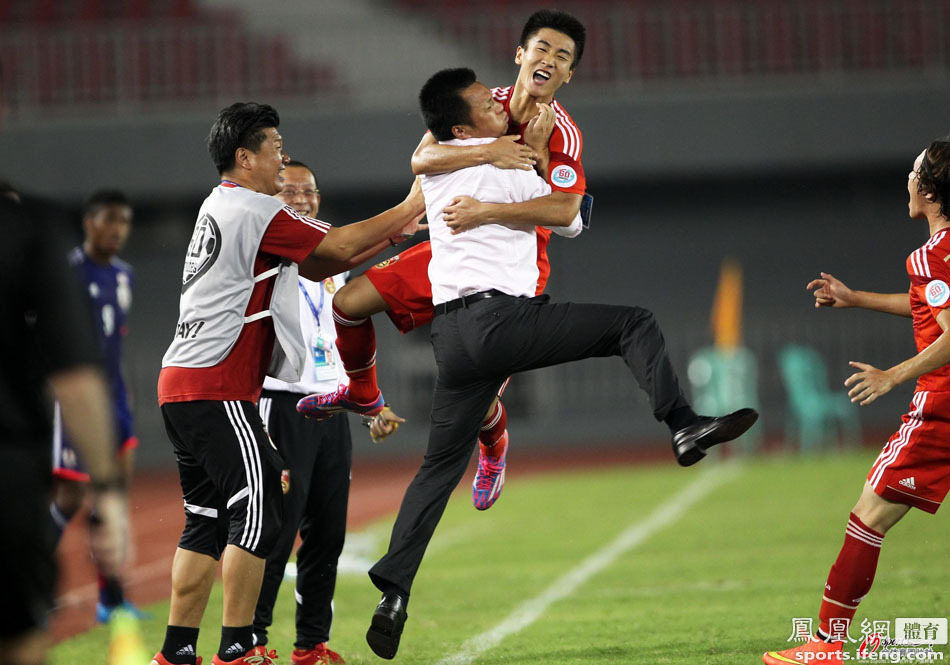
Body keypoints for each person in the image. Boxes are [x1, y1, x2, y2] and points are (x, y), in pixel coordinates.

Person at [362, 68, 758, 660]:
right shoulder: (500, 162)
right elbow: (569, 218)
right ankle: (681, 423)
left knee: (437, 470)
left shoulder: (437, 159)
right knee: (633, 323)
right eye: (485, 106)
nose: (500, 108)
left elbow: (425, 157)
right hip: (501, 323)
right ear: (466, 125)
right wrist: (542, 151)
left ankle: (393, 591)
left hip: (452, 337)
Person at [151, 102, 424, 665]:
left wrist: (396, 232)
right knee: (262, 510)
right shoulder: (254, 208)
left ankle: (177, 651)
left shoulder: (223, 205)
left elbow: (322, 265)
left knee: (204, 521)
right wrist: (412, 203)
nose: (282, 153)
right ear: (245, 157)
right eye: (274, 144)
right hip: (217, 384)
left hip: (184, 383)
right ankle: (238, 648)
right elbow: (339, 248)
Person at [301, 9, 590, 512]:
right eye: (542, 48)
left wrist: (536, 160)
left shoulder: (562, 133)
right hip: (453, 245)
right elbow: (422, 158)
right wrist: (490, 152)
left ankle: (494, 446)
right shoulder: (483, 103)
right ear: (521, 54)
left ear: (568, 75)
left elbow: (569, 213)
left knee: (476, 394)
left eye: (562, 56)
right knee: (347, 303)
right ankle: (363, 394)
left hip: (511, 267)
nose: (549, 59)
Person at [763, 138, 950, 664]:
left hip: (942, 405)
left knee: (867, 516)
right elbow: (925, 305)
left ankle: (825, 645)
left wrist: (893, 375)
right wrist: (855, 298)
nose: (908, 179)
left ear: (931, 192)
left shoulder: (932, 254)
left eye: (915, 172)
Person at [0, 190, 128, 665]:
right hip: (9, 464)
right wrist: (109, 492)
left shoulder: (121, 276)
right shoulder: (27, 226)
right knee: (20, 640)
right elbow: (74, 372)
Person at [252, 161, 351, 665]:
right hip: (283, 404)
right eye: (290, 191)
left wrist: (361, 395)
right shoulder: (264, 249)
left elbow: (332, 336)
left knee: (327, 534)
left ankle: (311, 645)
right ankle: (252, 642)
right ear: (273, 196)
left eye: (310, 191)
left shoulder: (333, 255)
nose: (303, 199)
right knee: (275, 530)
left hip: (332, 406)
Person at [48, 189, 141, 622]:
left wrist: (125, 395)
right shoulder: (65, 272)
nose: (117, 229)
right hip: (74, 400)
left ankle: (113, 598)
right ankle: (25, 589)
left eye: (123, 222)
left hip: (115, 400)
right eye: (109, 220)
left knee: (114, 498)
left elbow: (114, 343)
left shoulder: (124, 276)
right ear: (89, 222)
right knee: (69, 497)